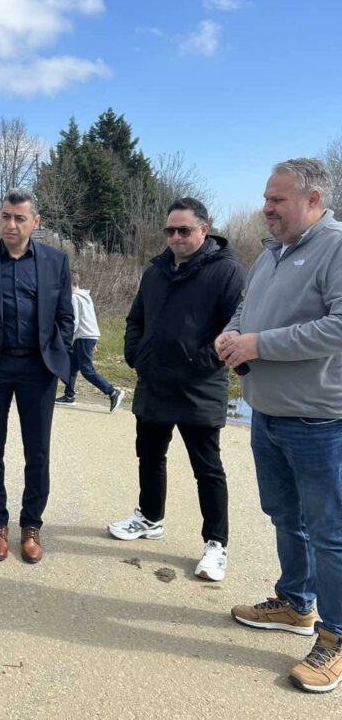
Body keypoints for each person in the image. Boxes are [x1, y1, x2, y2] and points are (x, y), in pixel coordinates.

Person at [216, 158, 342, 692]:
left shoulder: (336, 247)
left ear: (313, 200)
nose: (265, 208)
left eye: (277, 200)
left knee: (330, 534)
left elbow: (339, 326)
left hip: (319, 421)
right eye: (266, 198)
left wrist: (258, 344)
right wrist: (232, 334)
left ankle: (336, 637)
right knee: (285, 516)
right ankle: (295, 603)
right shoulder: (271, 253)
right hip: (266, 413)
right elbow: (246, 310)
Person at [108, 198, 245, 582]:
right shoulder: (156, 271)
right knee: (150, 457)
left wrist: (199, 362)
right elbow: (136, 318)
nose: (176, 237)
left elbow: (236, 328)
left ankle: (216, 544)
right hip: (154, 382)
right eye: (170, 230)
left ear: (204, 230)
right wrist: (136, 354)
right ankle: (150, 518)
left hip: (199, 387)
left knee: (208, 469)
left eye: (184, 230)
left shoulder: (228, 272)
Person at [0, 189, 73, 564]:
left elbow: (65, 316)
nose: (11, 224)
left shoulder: (55, 261)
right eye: (6, 216)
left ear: (35, 222)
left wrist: (58, 352)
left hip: (38, 369)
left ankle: (31, 525)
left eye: (19, 218)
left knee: (37, 451)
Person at [55, 271, 124, 412]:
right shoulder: (85, 296)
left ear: (68, 283)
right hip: (88, 336)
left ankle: (112, 392)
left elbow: (74, 321)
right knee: (71, 367)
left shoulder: (74, 298)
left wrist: (66, 340)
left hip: (84, 337)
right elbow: (90, 318)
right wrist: (94, 339)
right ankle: (69, 396)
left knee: (87, 370)